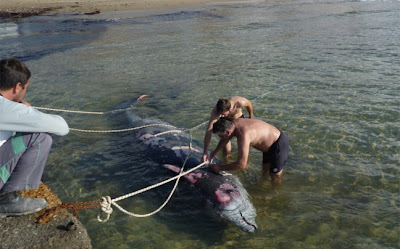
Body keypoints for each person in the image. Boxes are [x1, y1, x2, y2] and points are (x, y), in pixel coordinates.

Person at [0, 58, 69, 217]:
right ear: (18, 87)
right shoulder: (10, 109)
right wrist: (29, 111)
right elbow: (62, 127)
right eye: (26, 88)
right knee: (41, 137)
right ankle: (6, 200)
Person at [208, 118, 289, 184]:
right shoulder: (234, 123)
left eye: (221, 136)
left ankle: (276, 195)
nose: (221, 138)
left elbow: (241, 164)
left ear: (228, 132)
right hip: (268, 146)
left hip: (279, 144)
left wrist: (220, 168)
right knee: (265, 171)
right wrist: (215, 151)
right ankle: (264, 187)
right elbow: (226, 137)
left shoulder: (243, 134)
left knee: (275, 176)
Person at [202, 96, 254, 163]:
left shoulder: (239, 102)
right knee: (224, 137)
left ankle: (244, 158)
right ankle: (227, 159)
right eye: (220, 114)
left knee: (242, 139)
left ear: (230, 109)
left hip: (239, 119)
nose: (220, 116)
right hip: (225, 121)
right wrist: (205, 152)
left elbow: (249, 104)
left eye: (223, 114)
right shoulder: (216, 112)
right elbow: (209, 131)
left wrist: (251, 117)